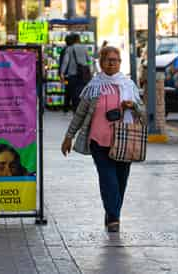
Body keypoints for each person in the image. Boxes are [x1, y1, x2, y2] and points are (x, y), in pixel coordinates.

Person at [61, 46, 144, 233]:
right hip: (99, 141)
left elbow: (143, 113)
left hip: (124, 141)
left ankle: (112, 211)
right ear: (101, 62)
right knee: (108, 180)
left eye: (116, 60)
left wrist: (133, 107)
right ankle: (114, 217)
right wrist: (69, 136)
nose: (112, 63)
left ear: (120, 63)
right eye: (108, 60)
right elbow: (80, 114)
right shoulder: (94, 87)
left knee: (121, 180)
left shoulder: (128, 85)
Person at [60, 34, 90, 113]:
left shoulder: (69, 49)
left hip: (72, 75)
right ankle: (82, 110)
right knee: (82, 92)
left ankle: (75, 111)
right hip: (83, 75)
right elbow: (89, 60)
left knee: (74, 94)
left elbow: (65, 62)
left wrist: (62, 73)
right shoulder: (84, 48)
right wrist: (90, 70)